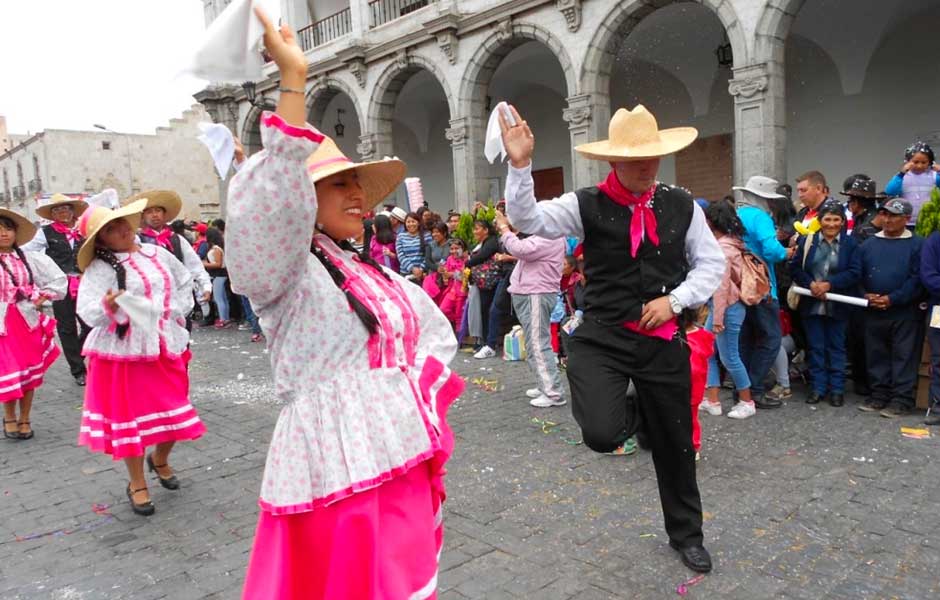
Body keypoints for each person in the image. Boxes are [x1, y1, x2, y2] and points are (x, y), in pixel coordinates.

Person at [226, 10, 464, 598]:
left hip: (394, 447)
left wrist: (408, 394)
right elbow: (263, 215)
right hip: (331, 463)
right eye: (339, 183)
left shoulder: (367, 271)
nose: (357, 195)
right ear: (299, 197)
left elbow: (434, 331)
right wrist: (293, 84)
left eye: (358, 184)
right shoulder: (286, 270)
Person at [500, 103, 724, 573]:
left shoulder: (681, 205)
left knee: (676, 445)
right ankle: (637, 413)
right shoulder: (586, 204)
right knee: (601, 434)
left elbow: (712, 264)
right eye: (635, 159)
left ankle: (686, 535)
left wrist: (676, 301)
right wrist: (520, 165)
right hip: (601, 336)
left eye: (653, 158)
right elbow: (529, 219)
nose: (647, 167)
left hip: (661, 339)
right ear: (612, 162)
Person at [76, 200, 206, 516]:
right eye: (109, 229)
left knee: (176, 414)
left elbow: (183, 280)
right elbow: (87, 310)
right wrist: (111, 307)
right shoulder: (100, 268)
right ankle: (137, 482)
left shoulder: (157, 253)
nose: (121, 229)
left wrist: (175, 315)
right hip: (122, 355)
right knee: (130, 423)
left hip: (163, 346)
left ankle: (159, 459)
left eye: (121, 222)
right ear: (101, 240)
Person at [853, 199, 925, 417]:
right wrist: (864, 294)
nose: (887, 219)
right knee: (876, 354)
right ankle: (879, 395)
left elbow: (917, 279)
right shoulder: (868, 245)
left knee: (904, 355)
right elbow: (856, 274)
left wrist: (893, 298)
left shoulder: (917, 245)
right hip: (873, 310)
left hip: (905, 311)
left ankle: (902, 399)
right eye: (884, 214)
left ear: (906, 219)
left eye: (893, 215)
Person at [0, 209, 66, 440]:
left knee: (28, 372)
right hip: (2, 324)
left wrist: (42, 296)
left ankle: (25, 417)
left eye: (8, 229)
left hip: (27, 320)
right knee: (8, 371)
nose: (4, 234)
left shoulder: (29, 259)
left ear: (16, 233)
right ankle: (9, 417)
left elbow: (58, 279)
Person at [789, 200, 859, 407]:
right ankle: (818, 388)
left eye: (836, 219)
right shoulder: (807, 241)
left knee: (836, 347)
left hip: (838, 304)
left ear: (842, 222)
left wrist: (830, 285)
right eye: (827, 219)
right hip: (811, 303)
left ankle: (837, 389)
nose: (831, 224)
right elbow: (795, 269)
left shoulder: (850, 244)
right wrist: (811, 284)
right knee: (816, 347)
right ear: (820, 221)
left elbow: (855, 272)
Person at [494, 211, 566, 407]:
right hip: (530, 293)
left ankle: (553, 392)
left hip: (537, 293)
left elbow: (520, 249)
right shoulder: (543, 235)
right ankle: (544, 384)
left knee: (538, 342)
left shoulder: (550, 236)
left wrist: (504, 228)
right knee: (534, 342)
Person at [734, 176, 792, 409]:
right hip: (762, 286)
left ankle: (743, 390)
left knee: (745, 339)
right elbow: (771, 250)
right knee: (770, 337)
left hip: (740, 285)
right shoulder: (761, 217)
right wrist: (787, 252)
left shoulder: (738, 216)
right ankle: (755, 388)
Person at [22, 193, 90, 386]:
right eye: (57, 210)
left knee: (90, 324)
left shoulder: (83, 230)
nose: (62, 212)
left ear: (72, 211)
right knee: (66, 327)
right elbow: (28, 250)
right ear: (52, 214)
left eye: (66, 209)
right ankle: (78, 370)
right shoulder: (46, 232)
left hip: (85, 283)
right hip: (60, 285)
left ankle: (77, 353)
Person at [701, 201, 754, 419]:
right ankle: (712, 400)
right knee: (708, 352)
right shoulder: (733, 243)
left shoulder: (722, 248)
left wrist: (717, 318)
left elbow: (721, 287)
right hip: (728, 306)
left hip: (726, 307)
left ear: (712, 222)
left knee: (729, 356)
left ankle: (747, 401)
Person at [131, 191, 213, 327]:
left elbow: (195, 266)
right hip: (149, 301)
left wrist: (205, 286)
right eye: (149, 212)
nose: (154, 215)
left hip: (178, 299)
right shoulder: (137, 241)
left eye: (158, 211)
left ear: (164, 215)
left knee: (180, 343)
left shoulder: (177, 239)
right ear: (143, 216)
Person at [467, 218, 502, 358]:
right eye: (474, 229)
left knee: (489, 310)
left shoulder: (492, 241)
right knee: (484, 310)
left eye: (477, 228)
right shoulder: (481, 243)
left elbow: (482, 257)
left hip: (492, 281)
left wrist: (467, 262)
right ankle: (486, 342)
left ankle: (489, 343)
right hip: (483, 282)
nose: (475, 231)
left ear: (486, 230)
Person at [885, 142, 940, 225]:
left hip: (929, 223)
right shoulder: (902, 176)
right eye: (916, 162)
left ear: (930, 162)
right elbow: (890, 191)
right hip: (907, 223)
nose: (919, 166)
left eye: (924, 162)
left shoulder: (934, 176)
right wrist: (901, 174)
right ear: (907, 161)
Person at [919, 224, 940, 425]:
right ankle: (938, 406)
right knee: (939, 358)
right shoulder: (935, 240)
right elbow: (928, 276)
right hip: (939, 308)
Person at [438, 238, 468, 330]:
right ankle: (457, 323)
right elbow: (446, 271)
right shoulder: (450, 259)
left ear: (463, 249)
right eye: (452, 249)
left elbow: (464, 276)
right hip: (452, 290)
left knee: (459, 315)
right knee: (443, 309)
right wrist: (443, 273)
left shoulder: (467, 260)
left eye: (457, 248)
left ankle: (460, 339)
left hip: (463, 292)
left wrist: (451, 274)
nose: (454, 251)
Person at [203, 227, 230, 328]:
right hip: (220, 274)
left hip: (218, 274)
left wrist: (205, 264)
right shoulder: (217, 248)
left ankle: (223, 319)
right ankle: (225, 318)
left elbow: (218, 264)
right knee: (222, 298)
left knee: (219, 298)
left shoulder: (216, 249)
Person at [395, 212, 429, 282]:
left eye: (413, 221)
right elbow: (400, 255)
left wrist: (421, 269)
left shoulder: (426, 235)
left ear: (418, 223)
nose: (411, 224)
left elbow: (429, 254)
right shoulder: (400, 236)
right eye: (408, 222)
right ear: (405, 223)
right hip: (405, 274)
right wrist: (412, 268)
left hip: (423, 274)